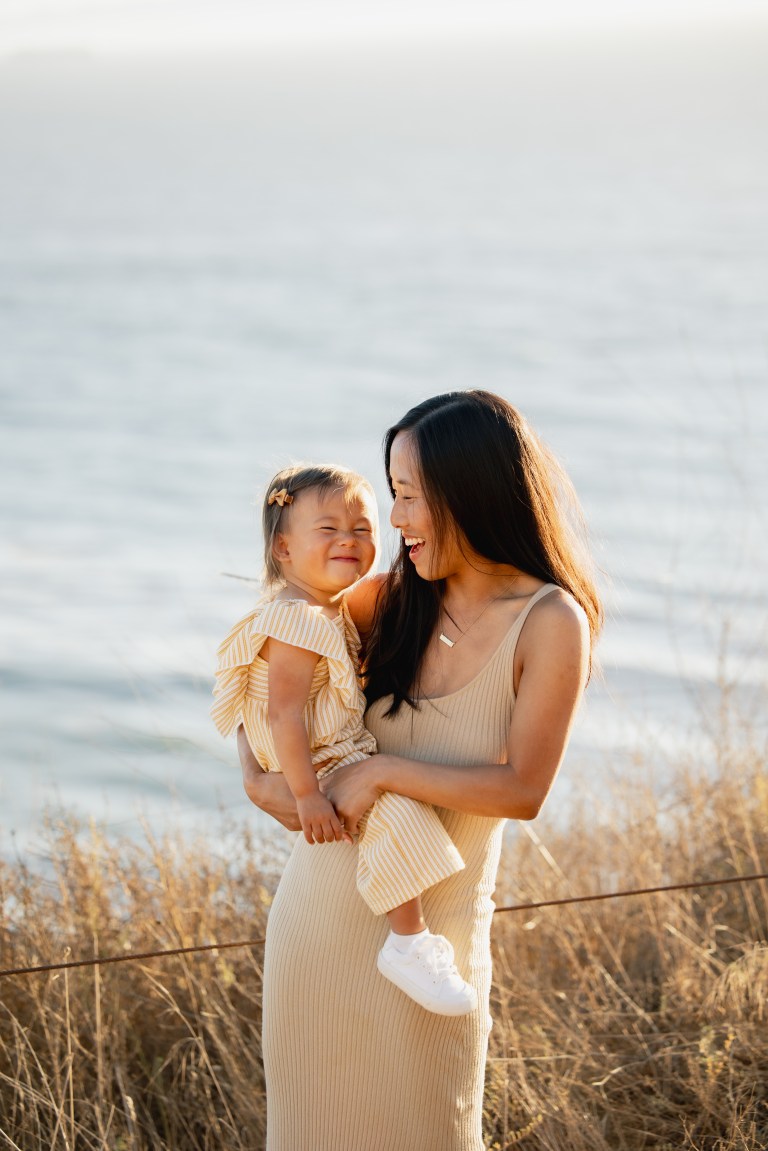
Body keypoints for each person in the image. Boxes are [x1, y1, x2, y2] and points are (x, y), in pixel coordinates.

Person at [241, 392, 603, 1151]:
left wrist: (382, 775)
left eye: (408, 497)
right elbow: (271, 682)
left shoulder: (549, 620)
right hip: (319, 931)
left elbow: (523, 791)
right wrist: (260, 778)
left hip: (430, 958)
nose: (393, 521)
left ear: (468, 491)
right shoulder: (384, 600)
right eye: (394, 495)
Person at [212, 462, 477, 1014]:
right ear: (283, 549)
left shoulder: (322, 610)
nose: (348, 540)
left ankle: (409, 939)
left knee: (391, 812)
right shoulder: (299, 620)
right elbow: (284, 714)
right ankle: (408, 942)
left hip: (325, 752)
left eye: (362, 529)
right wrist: (308, 796)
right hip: (320, 757)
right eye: (327, 529)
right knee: (395, 812)